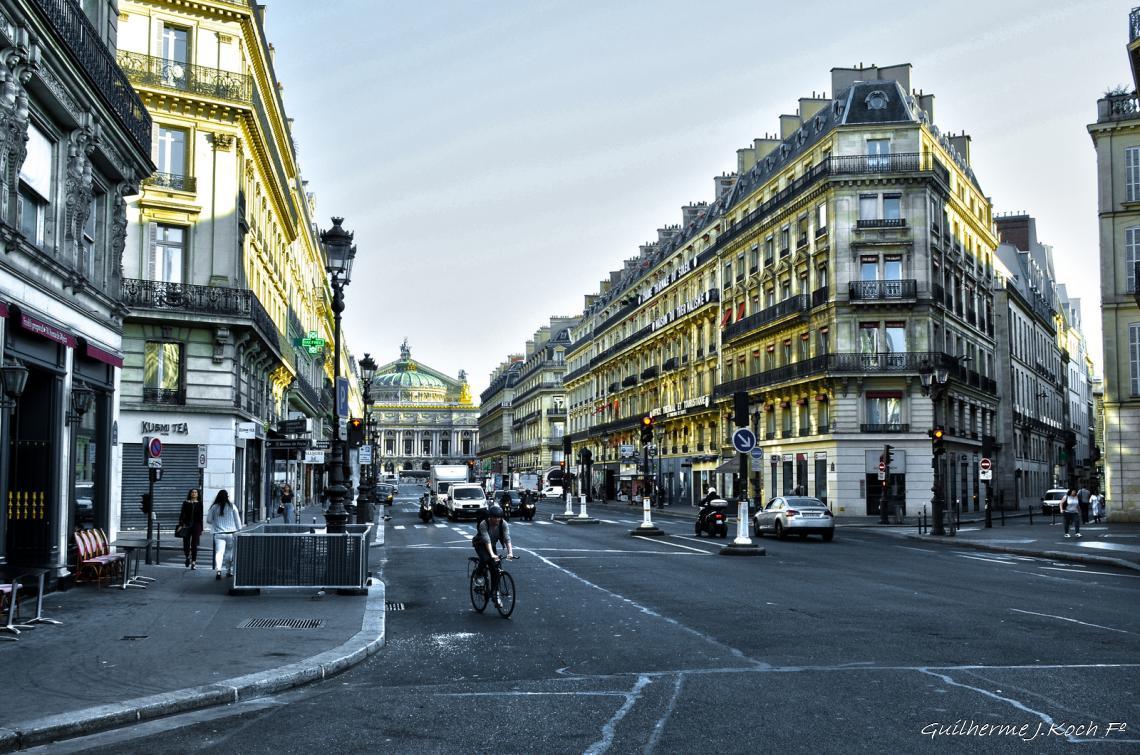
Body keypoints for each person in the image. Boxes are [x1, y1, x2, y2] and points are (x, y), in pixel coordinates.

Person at [472, 505, 513, 606]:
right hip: (481, 544)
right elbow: (486, 540)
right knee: (485, 558)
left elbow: (507, 538)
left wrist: (510, 552)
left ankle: (495, 594)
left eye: (499, 517)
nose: (498, 519)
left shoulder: (503, 524)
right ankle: (478, 576)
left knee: (495, 568)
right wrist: (492, 554)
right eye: (495, 517)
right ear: (490, 517)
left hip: (492, 544)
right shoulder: (484, 524)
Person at [207, 490, 243, 580]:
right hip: (231, 534)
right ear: (227, 496)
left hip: (218, 534)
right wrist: (239, 529)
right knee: (229, 553)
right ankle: (228, 570)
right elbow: (238, 521)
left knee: (219, 552)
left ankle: (218, 570)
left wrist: (217, 521)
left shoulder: (214, 507)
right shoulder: (232, 506)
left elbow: (209, 520)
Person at [177, 488, 203, 569]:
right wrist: (181, 525)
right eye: (192, 492)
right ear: (190, 494)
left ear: (198, 494)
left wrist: (201, 527)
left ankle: (193, 562)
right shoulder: (185, 503)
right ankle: (187, 557)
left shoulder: (200, 503)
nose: (194, 493)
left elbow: (201, 516)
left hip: (196, 525)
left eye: (195, 492)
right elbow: (182, 514)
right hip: (186, 525)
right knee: (186, 543)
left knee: (194, 544)